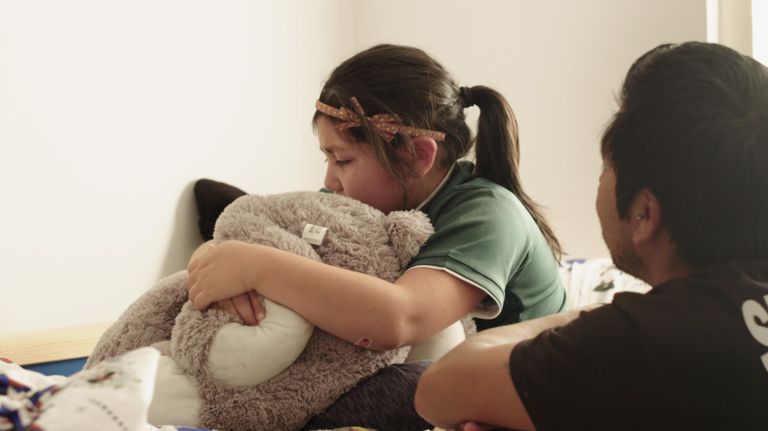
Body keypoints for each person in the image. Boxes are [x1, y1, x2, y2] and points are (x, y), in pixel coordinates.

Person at [186, 44, 565, 428]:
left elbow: (401, 319)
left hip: (514, 401)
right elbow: (289, 239)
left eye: (343, 160)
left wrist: (255, 267)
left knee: (414, 387)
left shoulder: (489, 213)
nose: (329, 180)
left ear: (416, 156)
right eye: (327, 159)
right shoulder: (368, 201)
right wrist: (219, 263)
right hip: (431, 365)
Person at [414, 41, 768, 430]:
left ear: (644, 214)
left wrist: (597, 316)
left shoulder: (650, 339)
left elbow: (439, 389)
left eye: (605, 169)